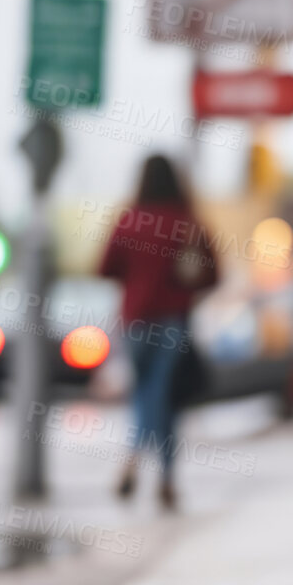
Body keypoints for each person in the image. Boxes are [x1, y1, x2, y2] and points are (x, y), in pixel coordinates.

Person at [98, 154, 219, 511]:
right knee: (163, 397)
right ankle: (164, 477)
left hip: (135, 321)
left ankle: (139, 460)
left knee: (147, 394)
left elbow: (104, 267)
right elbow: (212, 275)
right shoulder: (187, 224)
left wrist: (136, 279)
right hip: (172, 321)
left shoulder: (130, 220)